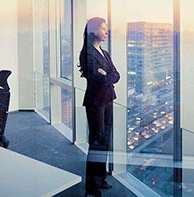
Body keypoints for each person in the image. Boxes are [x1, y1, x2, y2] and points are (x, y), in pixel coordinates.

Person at [78, 17, 120, 197]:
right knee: (96, 143)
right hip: (95, 102)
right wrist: (106, 76)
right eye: (104, 29)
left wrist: (107, 75)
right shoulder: (87, 53)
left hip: (108, 99)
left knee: (105, 141)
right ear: (94, 31)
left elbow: (116, 74)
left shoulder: (104, 52)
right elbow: (96, 80)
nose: (106, 32)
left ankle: (100, 178)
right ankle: (91, 186)